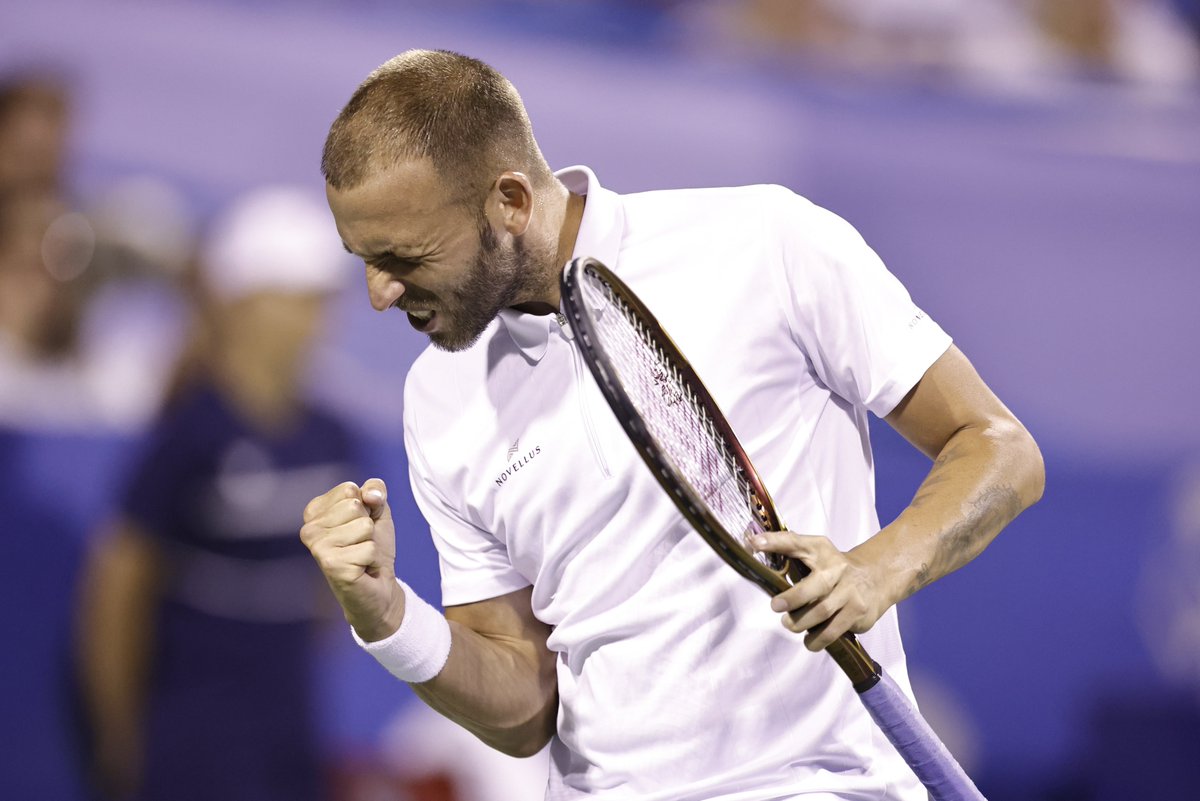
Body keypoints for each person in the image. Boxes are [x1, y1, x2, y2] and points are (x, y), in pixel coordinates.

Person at [300, 49, 1045, 800]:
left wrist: (876, 569)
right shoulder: (436, 394)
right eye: (363, 257)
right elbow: (526, 709)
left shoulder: (765, 241)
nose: (378, 292)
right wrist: (388, 615)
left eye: (404, 256)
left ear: (511, 202)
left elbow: (999, 447)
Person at [78, 186, 359, 801]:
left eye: (321, 301)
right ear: (248, 304)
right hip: (191, 737)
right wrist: (119, 736)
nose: (316, 320)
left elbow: (326, 605)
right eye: (298, 300)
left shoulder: (332, 438)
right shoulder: (192, 432)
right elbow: (117, 589)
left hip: (289, 732)